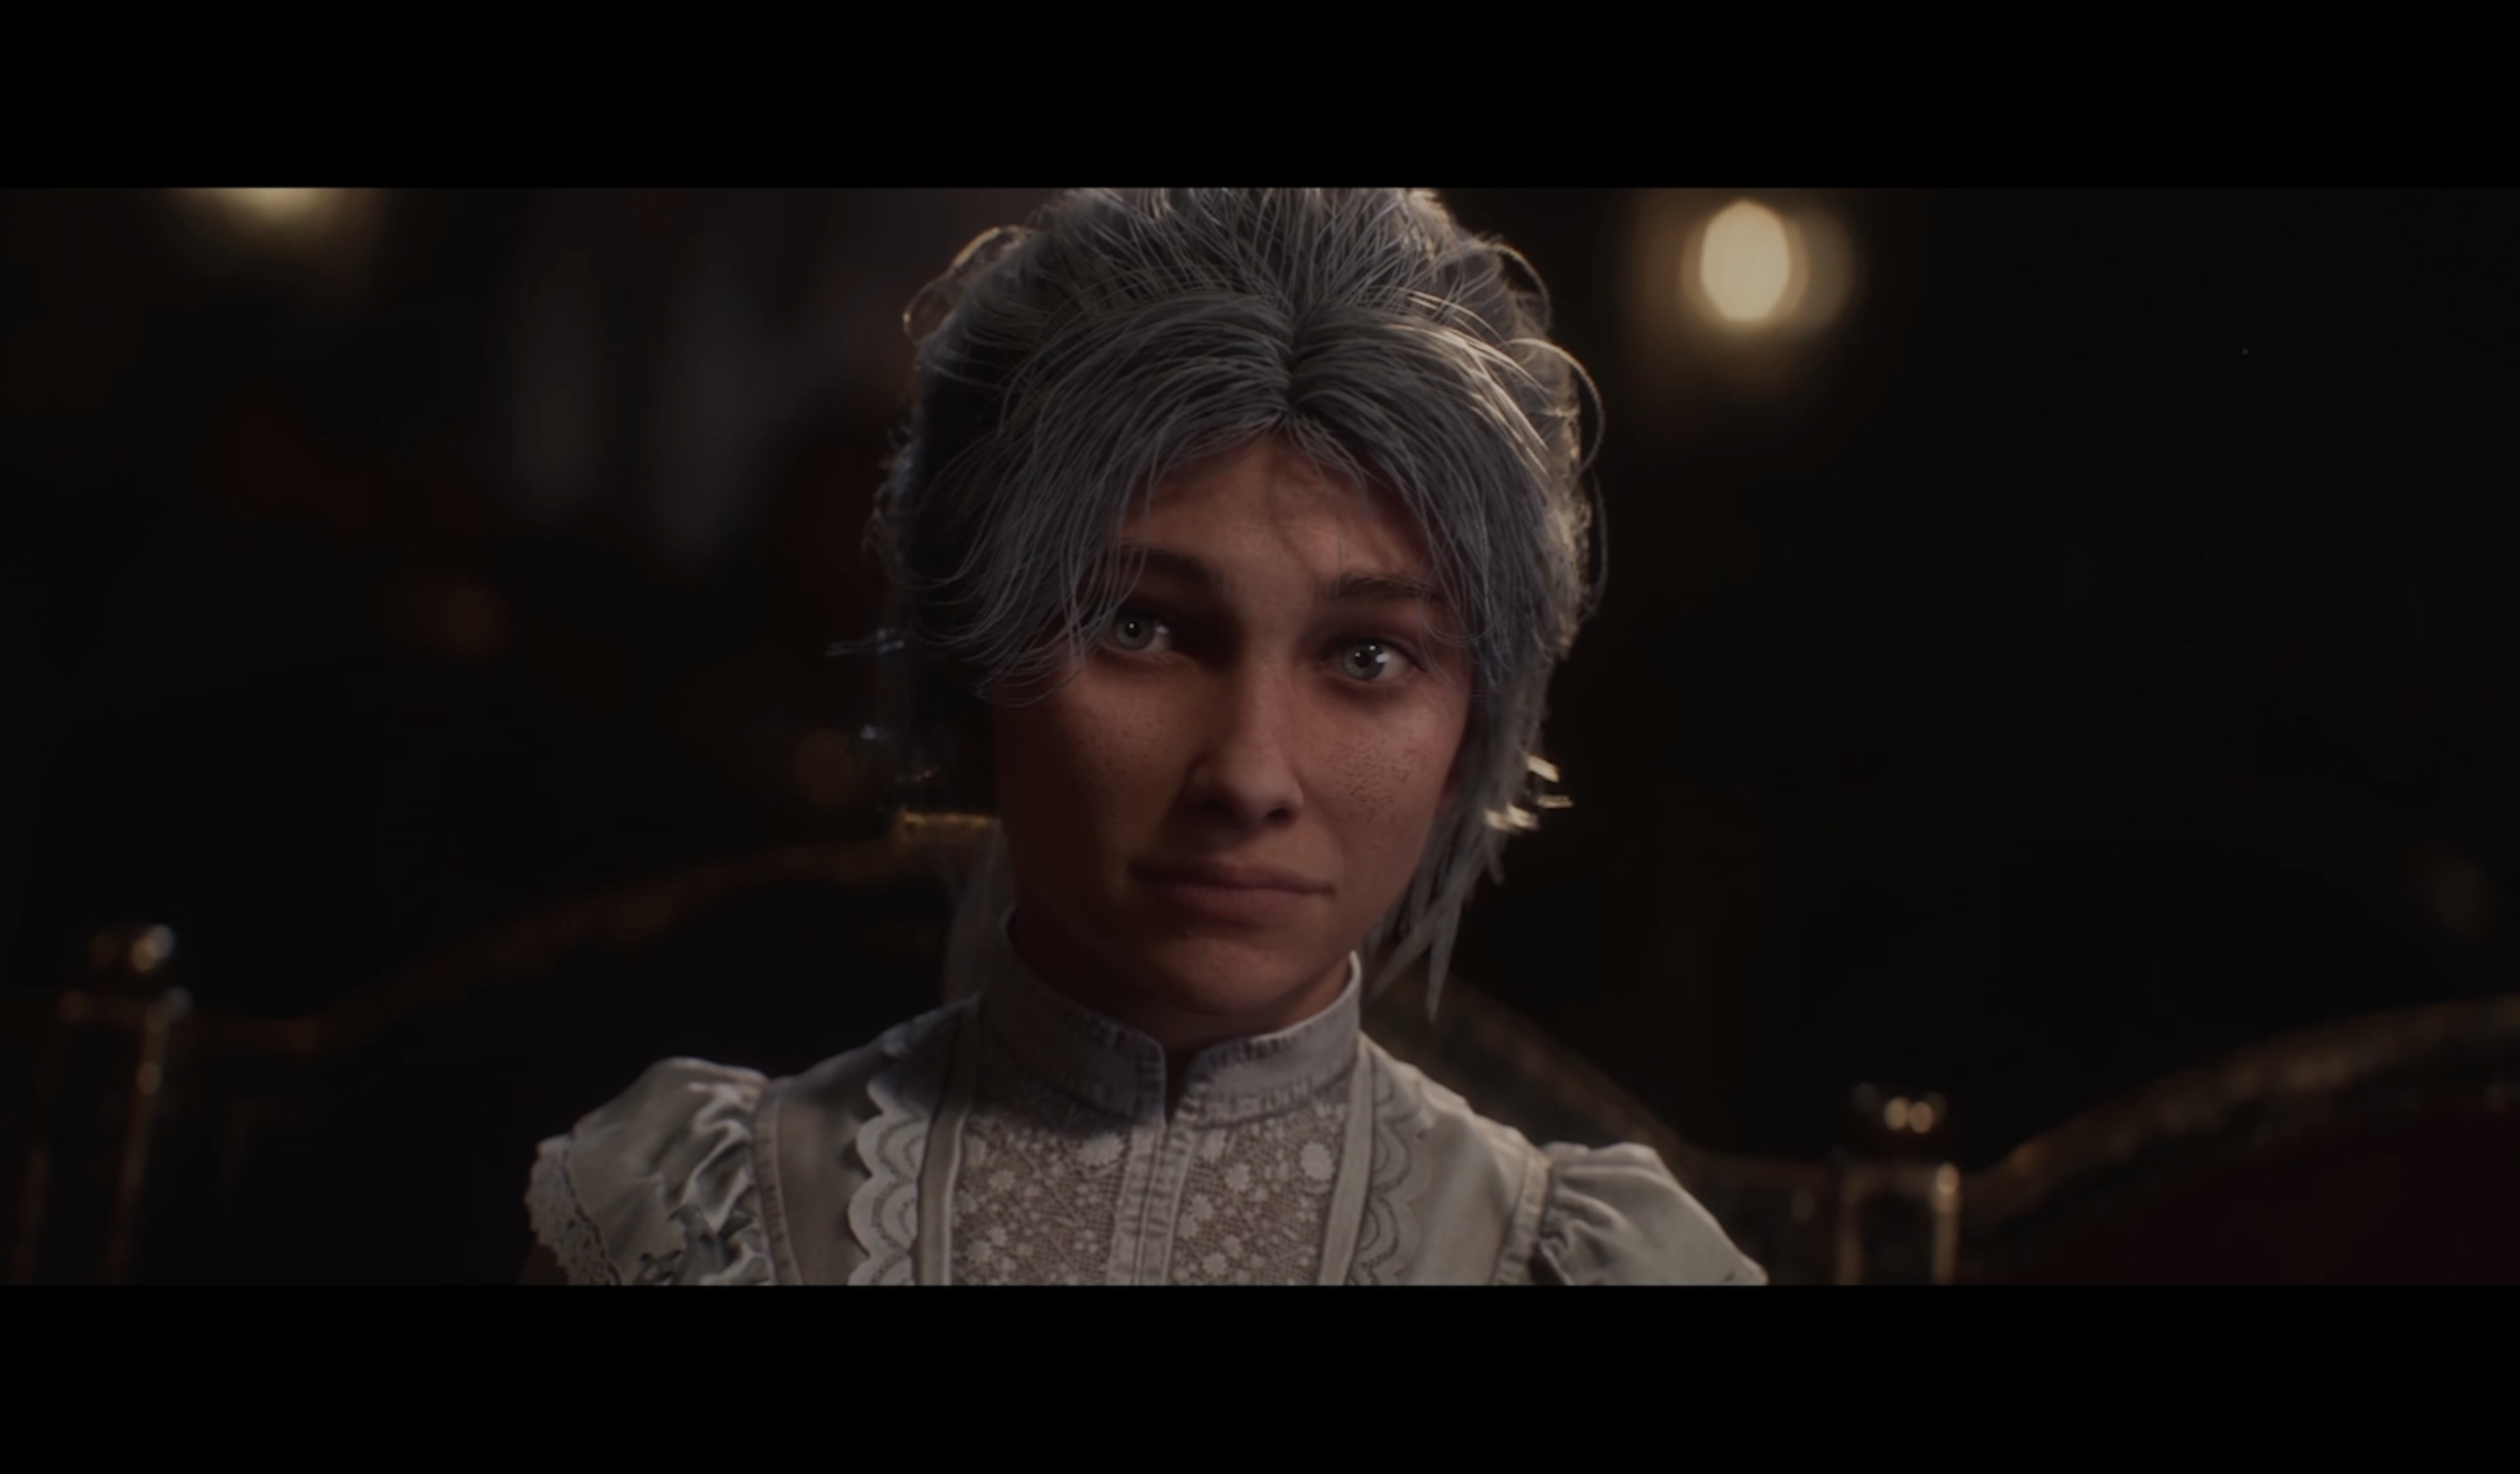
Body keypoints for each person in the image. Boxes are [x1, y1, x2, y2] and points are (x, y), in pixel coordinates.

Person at [522, 189, 1764, 1284]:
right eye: (1142, 627)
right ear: (976, 660)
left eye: (1367, 657)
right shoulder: (700, 1225)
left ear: (1473, 724)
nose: (1248, 775)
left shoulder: (1581, 1266)